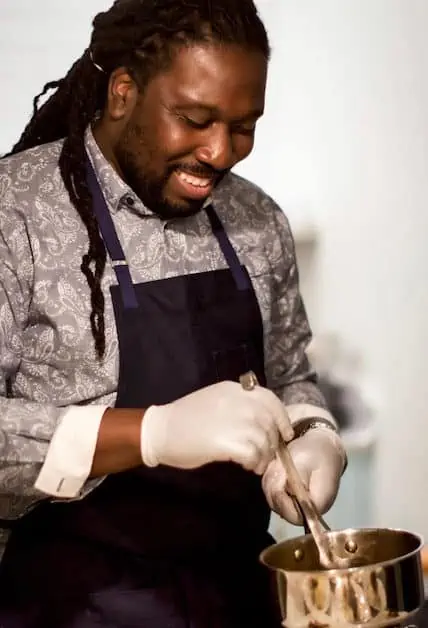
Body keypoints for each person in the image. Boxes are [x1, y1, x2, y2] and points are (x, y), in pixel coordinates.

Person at [0, 0, 347, 626]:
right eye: (194, 119)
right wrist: (151, 434)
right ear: (124, 92)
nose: (220, 152)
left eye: (244, 126)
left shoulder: (256, 221)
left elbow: (292, 371)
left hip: (239, 596)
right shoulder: (15, 216)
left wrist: (315, 432)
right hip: (71, 604)